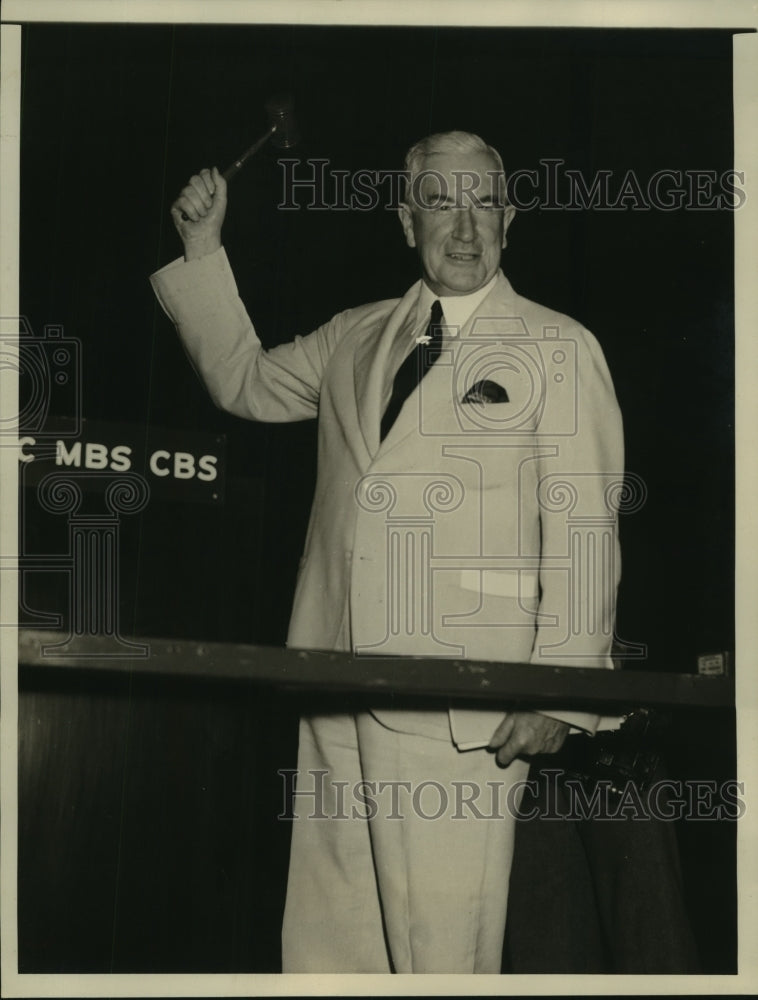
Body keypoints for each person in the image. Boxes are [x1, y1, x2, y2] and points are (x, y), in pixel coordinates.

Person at [150, 131, 624, 973]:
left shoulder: (560, 346)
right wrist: (203, 247)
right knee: (330, 951)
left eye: (484, 203)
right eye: (442, 203)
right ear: (408, 222)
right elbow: (245, 381)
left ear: (510, 220)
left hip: (460, 707)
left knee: (438, 954)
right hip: (330, 680)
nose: (465, 226)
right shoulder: (357, 336)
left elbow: (585, 523)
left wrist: (564, 688)